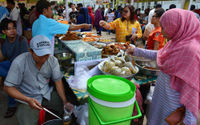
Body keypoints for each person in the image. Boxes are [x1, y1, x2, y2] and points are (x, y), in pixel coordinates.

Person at [126, 8, 199, 125]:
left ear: (178, 26)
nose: (163, 31)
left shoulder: (191, 51)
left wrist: (188, 120)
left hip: (173, 103)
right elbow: (160, 54)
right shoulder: (176, 41)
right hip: (162, 95)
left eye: (165, 27)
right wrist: (136, 51)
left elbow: (192, 89)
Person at [4, 35, 74, 125]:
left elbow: (58, 81)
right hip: (27, 98)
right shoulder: (19, 62)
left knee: (67, 109)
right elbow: (8, 88)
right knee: (26, 121)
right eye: (41, 56)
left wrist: (65, 102)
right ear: (31, 51)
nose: (44, 59)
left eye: (47, 55)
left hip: (47, 93)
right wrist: (27, 99)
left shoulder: (52, 60)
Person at [0, 18, 29, 118]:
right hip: (11, 65)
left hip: (23, 69)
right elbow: (2, 57)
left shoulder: (22, 40)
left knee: (9, 82)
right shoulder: (4, 42)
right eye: (9, 29)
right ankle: (11, 82)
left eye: (14, 28)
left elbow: (26, 62)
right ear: (3, 31)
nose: (12, 31)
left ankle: (12, 105)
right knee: (9, 78)